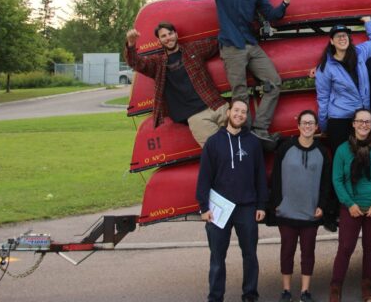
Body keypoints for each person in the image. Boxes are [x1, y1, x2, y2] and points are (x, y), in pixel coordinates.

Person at [180, 0, 296, 143]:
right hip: (232, 48)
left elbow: (272, 15)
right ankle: (245, 134)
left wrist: (286, 0)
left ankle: (260, 129)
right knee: (240, 93)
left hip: (252, 46)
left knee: (274, 82)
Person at [196, 99, 268, 302]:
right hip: (219, 208)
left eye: (243, 112)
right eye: (236, 110)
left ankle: (250, 295)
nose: (239, 115)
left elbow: (260, 175)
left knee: (250, 256)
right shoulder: (213, 142)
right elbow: (204, 177)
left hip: (246, 207)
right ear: (228, 113)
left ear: (246, 116)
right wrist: (203, 207)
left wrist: (261, 204)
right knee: (217, 258)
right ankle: (215, 297)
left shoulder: (253, 142)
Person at [124, 22, 227, 146]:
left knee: (244, 145)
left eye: (170, 33)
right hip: (197, 117)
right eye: (163, 36)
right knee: (218, 154)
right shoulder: (158, 63)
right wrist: (131, 45)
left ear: (176, 34)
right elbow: (137, 63)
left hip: (218, 105)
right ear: (159, 40)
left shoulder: (193, 49)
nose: (168, 38)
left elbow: (217, 42)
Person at [268, 110, 332, 302]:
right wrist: (276, 202)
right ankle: (286, 290)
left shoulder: (322, 152)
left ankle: (305, 291)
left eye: (311, 123)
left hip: (310, 212)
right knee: (287, 251)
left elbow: (325, 182)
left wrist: (322, 205)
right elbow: (276, 177)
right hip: (287, 211)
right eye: (304, 123)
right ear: (298, 126)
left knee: (308, 252)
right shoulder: (286, 148)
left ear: (316, 127)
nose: (307, 126)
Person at [329, 109, 371, 302]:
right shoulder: (342, 150)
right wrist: (349, 204)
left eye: (368, 122)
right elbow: (337, 180)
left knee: (370, 247)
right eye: (360, 121)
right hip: (351, 207)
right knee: (346, 247)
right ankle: (335, 287)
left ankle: (367, 287)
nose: (364, 125)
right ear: (353, 124)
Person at [315, 17, 371, 153]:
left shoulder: (360, 53)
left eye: (345, 35)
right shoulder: (325, 67)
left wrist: (368, 21)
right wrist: (324, 127)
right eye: (338, 36)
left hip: (362, 118)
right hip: (340, 120)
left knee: (363, 158)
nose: (342, 38)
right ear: (331, 41)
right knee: (342, 159)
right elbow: (323, 98)